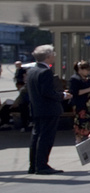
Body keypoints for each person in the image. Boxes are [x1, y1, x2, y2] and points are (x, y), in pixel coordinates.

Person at [26, 44, 66, 175]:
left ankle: (34, 165)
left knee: (36, 136)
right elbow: (47, 92)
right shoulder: (45, 72)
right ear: (48, 56)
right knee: (46, 138)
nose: (54, 56)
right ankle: (42, 165)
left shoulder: (32, 71)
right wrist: (63, 95)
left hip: (37, 108)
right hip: (48, 109)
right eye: (53, 54)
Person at [70, 60, 90, 143]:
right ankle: (78, 141)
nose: (88, 72)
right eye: (87, 70)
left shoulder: (89, 78)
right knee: (80, 124)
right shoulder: (75, 79)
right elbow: (75, 92)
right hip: (80, 106)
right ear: (80, 69)